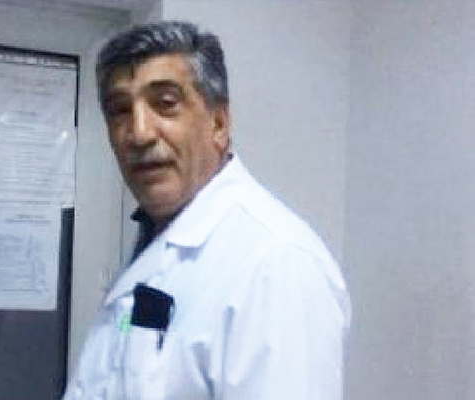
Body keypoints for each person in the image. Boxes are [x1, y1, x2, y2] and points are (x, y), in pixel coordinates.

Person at [62, 21, 351, 400]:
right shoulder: (155, 240)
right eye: (120, 110)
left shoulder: (275, 264)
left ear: (219, 123)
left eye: (166, 104)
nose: (139, 133)